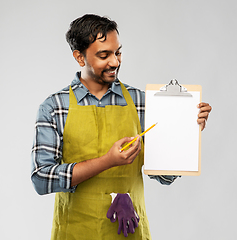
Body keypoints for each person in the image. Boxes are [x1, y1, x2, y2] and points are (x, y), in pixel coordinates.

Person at [31, 14, 212, 240]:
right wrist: (107, 161)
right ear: (79, 57)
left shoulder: (141, 101)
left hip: (130, 232)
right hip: (76, 232)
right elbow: (41, 179)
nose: (115, 62)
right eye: (104, 55)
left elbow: (164, 176)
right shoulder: (55, 107)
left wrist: (185, 133)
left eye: (117, 52)